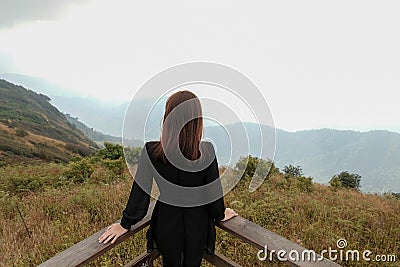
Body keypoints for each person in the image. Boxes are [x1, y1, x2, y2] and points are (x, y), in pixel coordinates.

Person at [99, 90, 238, 267]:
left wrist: (125, 224)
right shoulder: (207, 151)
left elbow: (140, 193)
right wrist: (220, 213)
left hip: (167, 223)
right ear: (197, 120)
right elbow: (212, 194)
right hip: (197, 225)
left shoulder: (152, 151)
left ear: (168, 116)